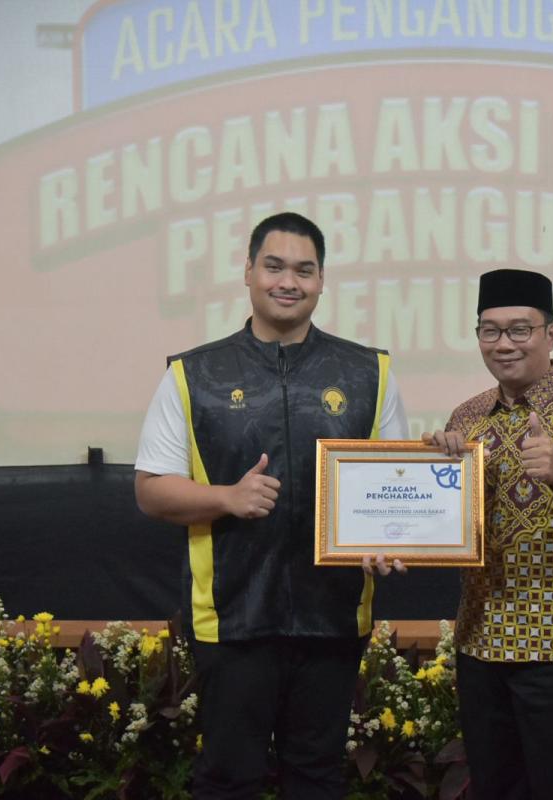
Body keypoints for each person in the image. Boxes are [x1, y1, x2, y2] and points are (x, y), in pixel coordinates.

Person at [134, 211, 408, 799]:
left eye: (304, 270)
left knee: (318, 777)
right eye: (274, 266)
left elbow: (391, 488)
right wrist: (226, 497)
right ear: (248, 272)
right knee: (228, 779)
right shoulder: (193, 374)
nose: (289, 281)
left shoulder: (369, 372)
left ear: (321, 280)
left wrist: (388, 540)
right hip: (233, 618)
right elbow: (151, 488)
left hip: (333, 617)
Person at [422, 268, 553, 800]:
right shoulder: (467, 416)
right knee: (493, 787)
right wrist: (429, 481)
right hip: (480, 638)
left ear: (551, 334)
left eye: (520, 329)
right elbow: (450, 525)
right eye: (490, 331)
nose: (504, 344)